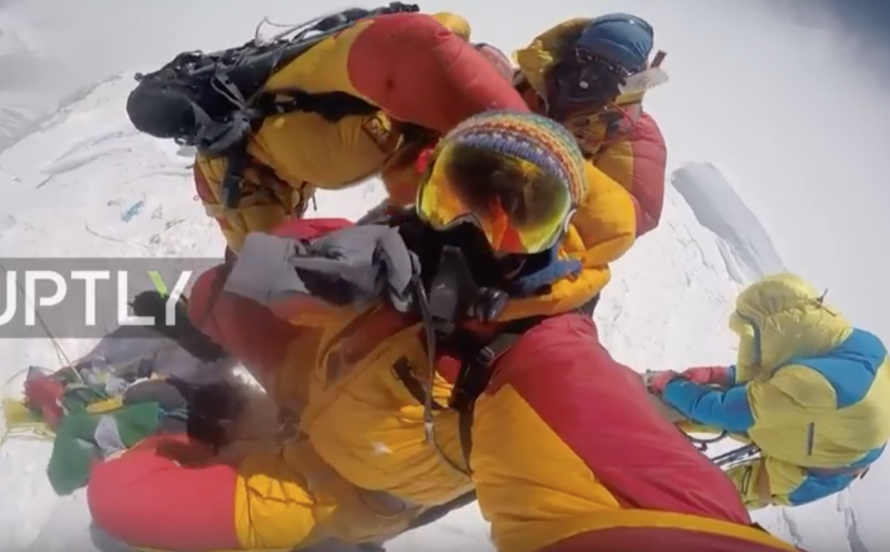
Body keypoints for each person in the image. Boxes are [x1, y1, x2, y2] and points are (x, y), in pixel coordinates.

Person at [85, 110, 802, 552]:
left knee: (121, 503)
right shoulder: (391, 256)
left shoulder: (538, 360)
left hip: (333, 485)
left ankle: (180, 420)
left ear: (557, 236)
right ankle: (194, 377)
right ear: (427, 190)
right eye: (461, 192)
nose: (474, 230)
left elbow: (637, 494)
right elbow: (272, 270)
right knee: (222, 289)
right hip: (326, 389)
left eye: (522, 211)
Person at [126, 5, 526, 259]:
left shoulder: (407, 126)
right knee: (271, 279)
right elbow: (409, 44)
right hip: (237, 175)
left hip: (288, 160)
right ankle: (207, 336)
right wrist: (520, 134)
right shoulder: (369, 74)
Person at [647, 273, 890, 510]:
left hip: (814, 469)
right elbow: (785, 368)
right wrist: (718, 375)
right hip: (825, 430)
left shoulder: (815, 382)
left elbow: (726, 411)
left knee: (710, 498)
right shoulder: (848, 342)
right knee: (714, 402)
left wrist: (670, 384)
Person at [513, 13, 668, 237]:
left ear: (632, 80)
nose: (589, 76)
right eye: (586, 57)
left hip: (546, 233)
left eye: (612, 71)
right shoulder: (539, 79)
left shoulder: (636, 135)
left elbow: (633, 216)